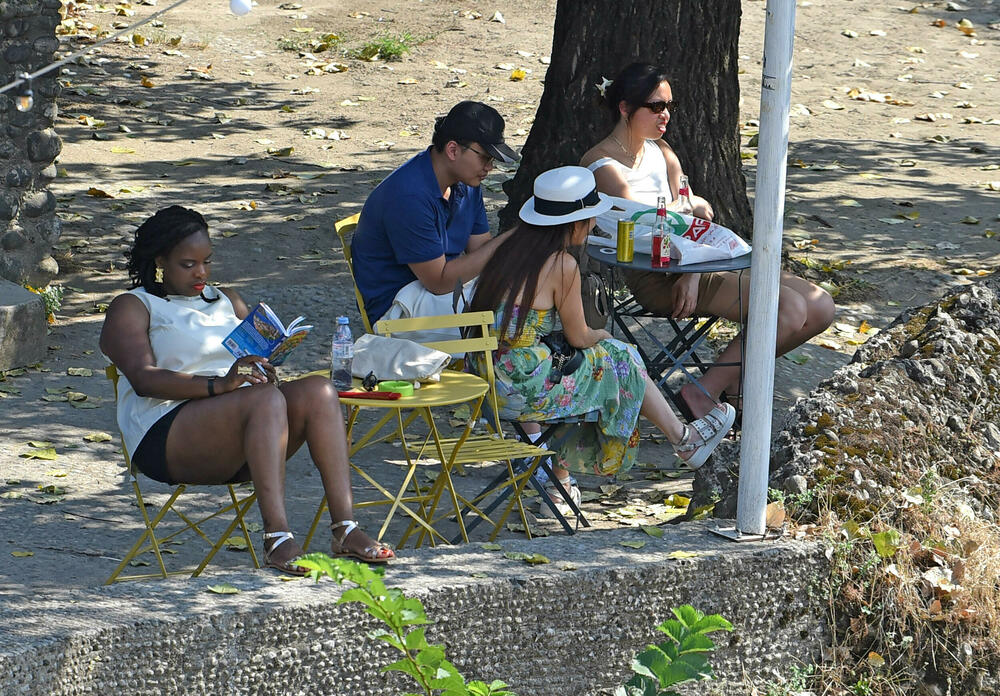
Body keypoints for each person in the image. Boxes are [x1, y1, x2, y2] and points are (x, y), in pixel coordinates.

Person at [99, 205, 394, 574]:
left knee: (319, 390)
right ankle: (277, 538)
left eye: (207, 261)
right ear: (160, 259)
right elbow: (143, 379)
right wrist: (221, 384)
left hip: (244, 426)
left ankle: (345, 528)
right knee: (264, 399)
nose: (202, 273)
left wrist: (262, 369)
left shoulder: (228, 301)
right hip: (166, 433)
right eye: (188, 264)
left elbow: (248, 369)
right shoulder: (134, 306)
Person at [469, 166, 736, 515]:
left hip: (487, 380)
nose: (593, 225)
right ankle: (683, 439)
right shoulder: (560, 264)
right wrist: (605, 336)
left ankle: (559, 486)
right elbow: (579, 335)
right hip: (523, 386)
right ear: (574, 223)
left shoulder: (507, 250)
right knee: (618, 358)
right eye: (590, 218)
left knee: (592, 370)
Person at [580, 62, 836, 419]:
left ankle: (731, 378)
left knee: (820, 305)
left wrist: (693, 270)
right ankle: (703, 392)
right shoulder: (602, 165)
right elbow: (661, 220)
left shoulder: (662, 151)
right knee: (788, 309)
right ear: (625, 108)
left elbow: (698, 211)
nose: (665, 114)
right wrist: (690, 221)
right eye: (655, 106)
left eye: (669, 106)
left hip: (694, 267)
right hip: (654, 276)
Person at [351, 101, 519, 340]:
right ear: (452, 150)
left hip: (441, 291)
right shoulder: (409, 196)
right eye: (485, 157)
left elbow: (481, 250)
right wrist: (512, 239)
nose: (490, 167)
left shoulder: (467, 183)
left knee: (522, 295)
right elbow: (438, 281)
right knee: (511, 315)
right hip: (399, 308)